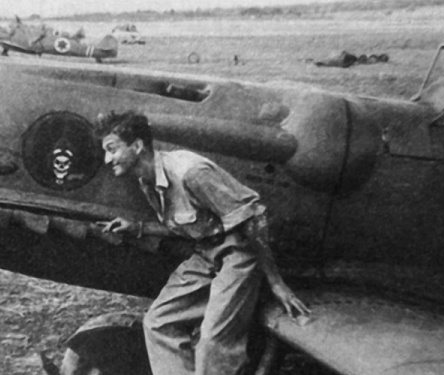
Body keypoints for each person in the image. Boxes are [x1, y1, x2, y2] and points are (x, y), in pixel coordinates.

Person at [97, 110, 310, 375]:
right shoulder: (146, 179)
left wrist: (276, 283)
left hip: (238, 252)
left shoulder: (191, 172)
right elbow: (186, 225)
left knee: (213, 342)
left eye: (112, 149)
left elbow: (254, 219)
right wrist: (138, 228)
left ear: (137, 146)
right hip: (205, 253)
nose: (107, 159)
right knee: (157, 323)